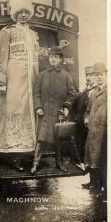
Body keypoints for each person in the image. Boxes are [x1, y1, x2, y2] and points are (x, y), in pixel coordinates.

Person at [0, 0, 39, 171]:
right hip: (14, 79)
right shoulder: (7, 32)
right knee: (14, 111)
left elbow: (36, 59)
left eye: (27, 12)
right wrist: (2, 82)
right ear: (15, 14)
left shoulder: (34, 34)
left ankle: (27, 153)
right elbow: (0, 59)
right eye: (21, 12)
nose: (24, 15)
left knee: (29, 112)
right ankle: (14, 156)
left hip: (31, 79)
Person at [31, 46, 77, 174]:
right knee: (40, 139)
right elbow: (36, 94)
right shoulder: (42, 75)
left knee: (59, 139)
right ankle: (35, 163)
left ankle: (59, 163)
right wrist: (38, 107)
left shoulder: (66, 75)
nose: (53, 60)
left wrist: (66, 107)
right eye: (51, 57)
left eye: (56, 57)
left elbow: (72, 93)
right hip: (44, 112)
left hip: (59, 113)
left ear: (60, 59)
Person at [83, 62, 107, 200]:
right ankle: (96, 187)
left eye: (101, 75)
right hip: (93, 132)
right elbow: (88, 110)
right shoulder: (93, 93)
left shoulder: (110, 91)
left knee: (103, 162)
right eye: (96, 75)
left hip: (104, 133)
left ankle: (105, 191)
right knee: (93, 161)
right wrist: (87, 118)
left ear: (105, 75)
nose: (98, 77)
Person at [74, 66, 97, 163]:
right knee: (80, 142)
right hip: (80, 122)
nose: (88, 77)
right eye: (87, 75)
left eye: (91, 75)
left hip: (88, 122)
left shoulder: (95, 90)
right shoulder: (86, 88)